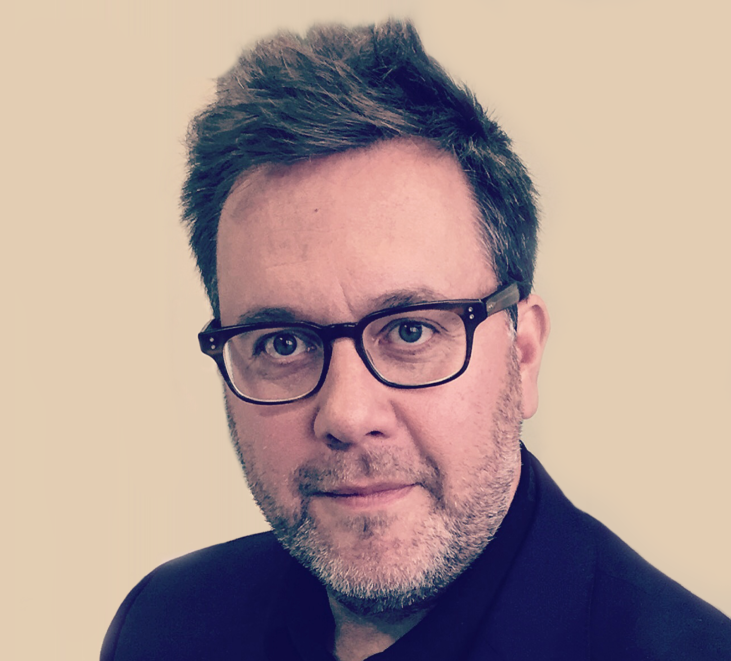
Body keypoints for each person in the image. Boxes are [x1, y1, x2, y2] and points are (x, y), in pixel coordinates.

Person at [101, 19, 731, 661]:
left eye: (411, 330)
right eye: (283, 343)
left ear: (523, 353)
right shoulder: (163, 626)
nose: (348, 415)